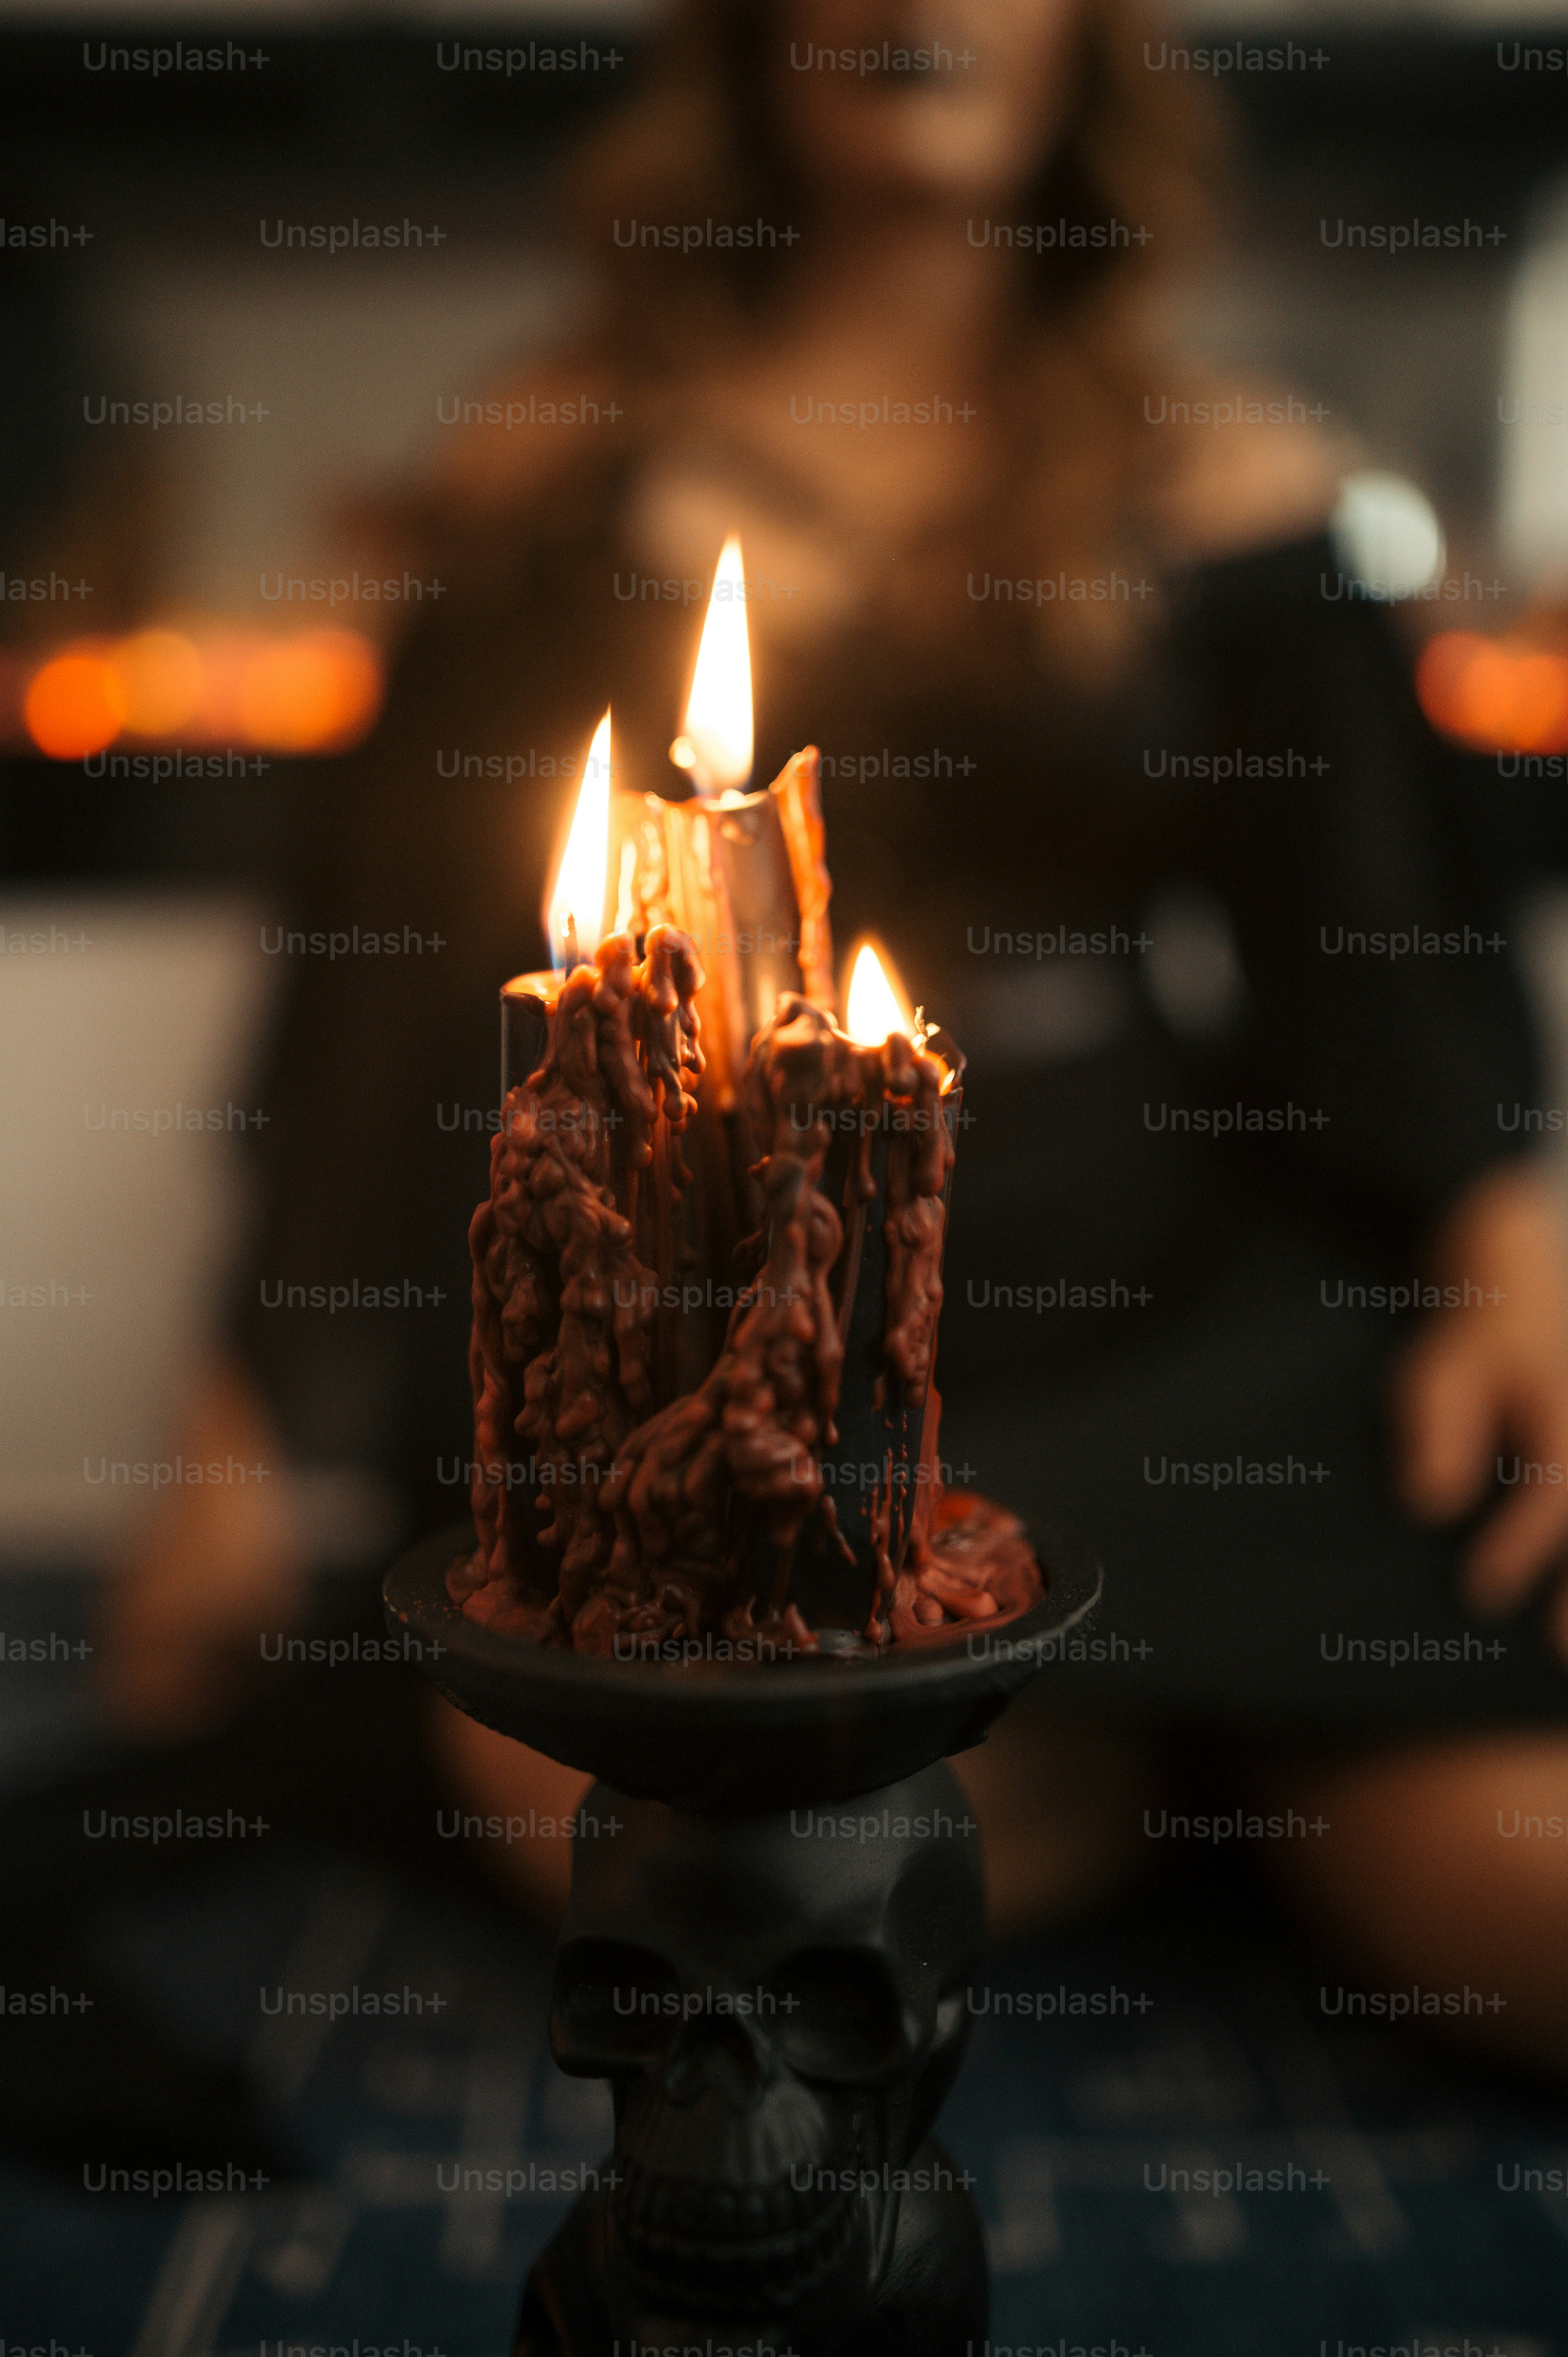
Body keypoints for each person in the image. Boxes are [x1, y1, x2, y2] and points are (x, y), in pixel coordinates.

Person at [106, 0, 1568, 2076]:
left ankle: (1133, 1722)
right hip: (706, 1309)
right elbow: (381, 972)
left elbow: (1377, 949)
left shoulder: (1224, 478)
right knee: (670, 1867)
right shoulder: (552, 479)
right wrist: (257, 1410)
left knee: (1512, 1891)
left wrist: (1508, 1250)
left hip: (1156, 1285)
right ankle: (1125, 1747)